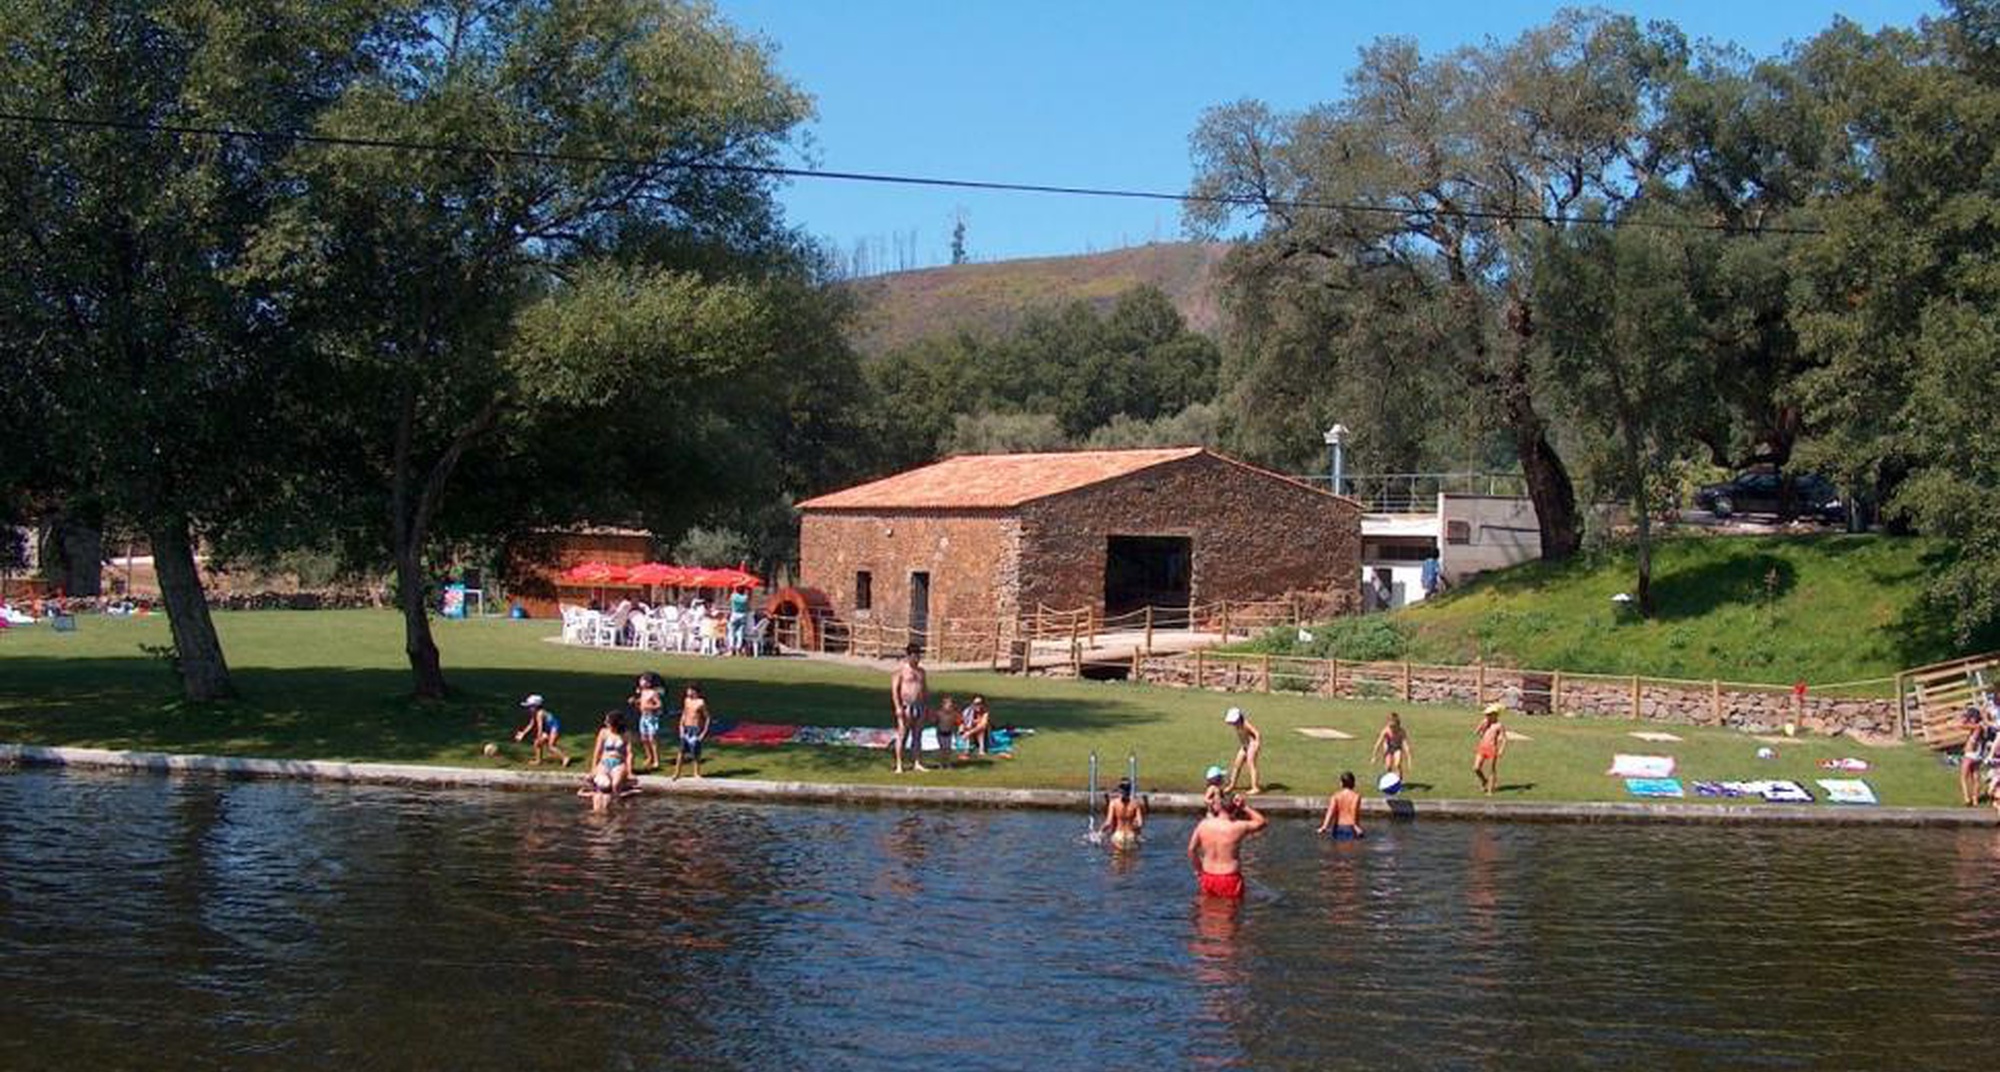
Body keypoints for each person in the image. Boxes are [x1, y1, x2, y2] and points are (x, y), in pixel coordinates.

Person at [1187, 793, 1267, 899]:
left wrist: (1198, 870)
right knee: (1229, 912)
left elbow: (1191, 850)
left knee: (1206, 912)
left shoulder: (1203, 825)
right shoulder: (1239, 826)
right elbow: (1262, 822)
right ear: (1234, 807)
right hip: (1230, 878)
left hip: (1207, 876)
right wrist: (1244, 807)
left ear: (1218, 806)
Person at [890, 644, 929, 773]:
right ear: (909, 656)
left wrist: (926, 706)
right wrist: (898, 707)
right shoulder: (901, 671)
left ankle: (917, 762)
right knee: (902, 735)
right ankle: (899, 764)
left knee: (917, 735)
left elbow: (924, 689)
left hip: (919, 706)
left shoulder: (921, 671)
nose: (917, 659)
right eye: (914, 656)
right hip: (906, 706)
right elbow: (895, 690)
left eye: (918, 656)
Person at [586, 709, 635, 808]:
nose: (605, 723)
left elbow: (629, 754)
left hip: (619, 763)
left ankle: (617, 805)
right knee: (603, 784)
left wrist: (629, 772)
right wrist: (593, 769)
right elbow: (597, 752)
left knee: (615, 784)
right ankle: (600, 805)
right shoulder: (603, 732)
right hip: (604, 762)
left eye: (607, 721)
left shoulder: (626, 734)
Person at [511, 694, 570, 767]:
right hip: (548, 728)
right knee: (537, 743)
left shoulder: (540, 713)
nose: (528, 708)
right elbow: (531, 724)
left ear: (536, 706)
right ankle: (538, 760)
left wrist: (539, 737)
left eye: (530, 706)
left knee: (551, 746)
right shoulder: (534, 713)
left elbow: (540, 727)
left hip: (554, 727)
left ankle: (565, 758)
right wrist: (523, 733)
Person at [673, 683, 711, 780]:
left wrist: (703, 733)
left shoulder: (701, 703)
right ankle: (677, 772)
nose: (687, 692)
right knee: (681, 752)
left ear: (695, 691)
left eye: (689, 690)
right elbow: (684, 713)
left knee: (696, 753)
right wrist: (681, 725)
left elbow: (707, 717)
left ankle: (696, 773)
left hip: (695, 729)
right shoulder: (687, 701)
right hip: (686, 728)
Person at [1222, 707, 1262, 795]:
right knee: (1237, 765)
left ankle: (1255, 787)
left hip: (1252, 744)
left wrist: (1257, 744)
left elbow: (1257, 733)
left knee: (1251, 764)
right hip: (1245, 745)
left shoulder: (1245, 724)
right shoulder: (1237, 724)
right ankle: (1232, 785)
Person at [1472, 702, 1507, 795]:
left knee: (1491, 769)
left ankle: (1490, 790)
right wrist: (1482, 724)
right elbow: (1475, 732)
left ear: (1495, 715)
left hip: (1492, 748)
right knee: (1476, 768)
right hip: (1482, 746)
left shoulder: (1499, 725)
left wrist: (1501, 750)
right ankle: (1484, 780)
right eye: (1486, 715)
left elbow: (1504, 739)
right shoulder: (1485, 723)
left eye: (1489, 715)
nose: (1487, 716)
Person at [1318, 771, 1365, 839]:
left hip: (1338, 827)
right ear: (1353, 783)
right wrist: (1356, 826)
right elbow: (1353, 811)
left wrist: (1324, 826)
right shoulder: (1356, 797)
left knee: (1337, 848)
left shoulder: (1336, 796)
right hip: (1350, 827)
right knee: (1351, 848)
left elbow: (1330, 812)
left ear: (1341, 783)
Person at [1101, 778, 1145, 850]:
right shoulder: (1135, 804)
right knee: (1131, 859)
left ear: (1119, 789)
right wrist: (1136, 831)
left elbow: (1108, 823)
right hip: (1131, 836)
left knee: (1117, 859)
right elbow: (1140, 823)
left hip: (1118, 835)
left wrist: (1099, 832)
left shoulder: (1113, 803)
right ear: (1130, 790)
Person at [634, 672, 665, 771]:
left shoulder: (653, 693)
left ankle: (656, 760)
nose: (640, 682)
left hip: (652, 718)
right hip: (643, 717)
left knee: (653, 739)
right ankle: (649, 757)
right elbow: (641, 702)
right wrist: (636, 702)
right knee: (644, 738)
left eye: (642, 680)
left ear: (648, 682)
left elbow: (659, 705)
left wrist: (650, 707)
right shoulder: (643, 692)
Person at [1959, 704, 1989, 807]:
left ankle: (1967, 798)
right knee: (1975, 778)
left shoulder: (1977, 726)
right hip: (1977, 755)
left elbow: (1961, 725)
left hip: (1969, 755)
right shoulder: (1982, 727)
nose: (1969, 719)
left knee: (1963, 777)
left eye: (1970, 717)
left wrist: (1963, 717)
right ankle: (1975, 799)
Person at [1372, 712, 1411, 778]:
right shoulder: (1386, 731)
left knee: (1397, 764)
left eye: (1394, 726)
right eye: (1390, 726)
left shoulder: (1401, 732)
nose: (1392, 729)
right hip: (1388, 749)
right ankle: (1390, 780)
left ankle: (1399, 779)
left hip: (1397, 748)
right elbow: (1378, 744)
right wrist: (1374, 756)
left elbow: (1406, 746)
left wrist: (1409, 760)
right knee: (1388, 766)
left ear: (1398, 725)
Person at [727, 585, 752, 655]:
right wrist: (748, 589)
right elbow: (748, 604)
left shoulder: (733, 596)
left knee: (731, 631)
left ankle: (732, 647)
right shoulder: (745, 598)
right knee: (740, 632)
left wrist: (733, 587)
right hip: (743, 615)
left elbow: (730, 596)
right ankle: (739, 647)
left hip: (734, 614)